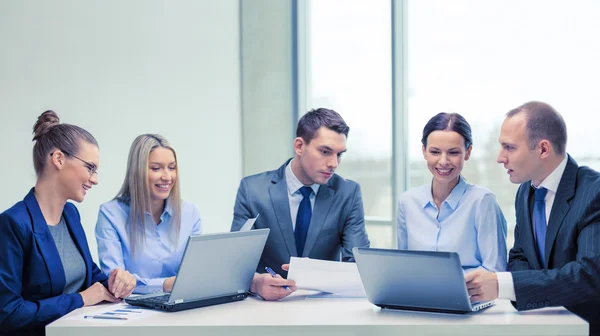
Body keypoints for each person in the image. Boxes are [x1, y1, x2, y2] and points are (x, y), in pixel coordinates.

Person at [465, 101, 600, 334]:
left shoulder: (593, 193)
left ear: (543, 149)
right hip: (540, 325)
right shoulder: (526, 192)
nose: (500, 157)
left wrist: (502, 284)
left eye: (509, 147)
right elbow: (519, 256)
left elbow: (588, 276)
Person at [0, 110, 135, 335]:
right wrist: (79, 299)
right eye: (90, 168)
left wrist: (116, 281)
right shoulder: (13, 223)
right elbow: (8, 313)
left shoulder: (70, 214)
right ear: (59, 159)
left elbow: (88, 275)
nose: (95, 179)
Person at [231, 108, 370, 300]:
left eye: (339, 155)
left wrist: (316, 271)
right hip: (263, 307)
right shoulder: (252, 190)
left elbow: (359, 265)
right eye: (325, 152)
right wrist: (256, 283)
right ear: (299, 146)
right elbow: (236, 263)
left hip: (323, 306)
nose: (334, 163)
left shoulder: (348, 193)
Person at [398, 113, 507, 272]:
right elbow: (402, 266)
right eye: (435, 152)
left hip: (469, 296)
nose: (443, 161)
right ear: (424, 151)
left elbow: (495, 269)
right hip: (417, 296)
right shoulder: (407, 202)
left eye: (453, 152)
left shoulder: (483, 202)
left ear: (467, 152)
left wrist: (453, 284)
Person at [95, 134, 202, 294]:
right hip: (133, 310)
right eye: (156, 168)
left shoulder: (190, 213)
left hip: (182, 303)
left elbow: (196, 273)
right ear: (137, 172)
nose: (167, 177)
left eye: (172, 168)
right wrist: (165, 284)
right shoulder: (110, 214)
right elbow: (116, 283)